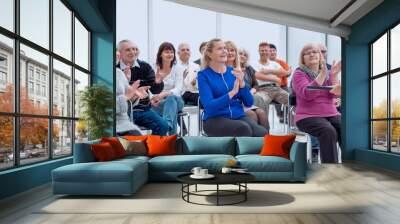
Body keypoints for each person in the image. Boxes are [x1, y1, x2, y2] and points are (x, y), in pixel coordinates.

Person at [197, 38, 268, 137]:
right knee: (243, 129)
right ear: (209, 54)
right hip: (214, 119)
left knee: (261, 132)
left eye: (225, 48)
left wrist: (242, 84)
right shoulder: (203, 75)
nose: (224, 51)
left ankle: (256, 153)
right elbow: (209, 107)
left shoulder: (233, 72)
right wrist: (232, 93)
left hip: (237, 115)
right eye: (219, 49)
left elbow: (249, 102)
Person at [292, 43, 342, 163]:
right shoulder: (299, 73)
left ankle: (351, 165)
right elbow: (307, 94)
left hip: (331, 113)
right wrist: (322, 75)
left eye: (315, 52)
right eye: (307, 52)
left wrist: (334, 75)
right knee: (328, 131)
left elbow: (334, 95)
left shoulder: (327, 72)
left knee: (345, 128)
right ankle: (330, 169)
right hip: (307, 116)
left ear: (320, 56)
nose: (312, 54)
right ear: (302, 58)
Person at [116, 40, 169, 136]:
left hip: (142, 111)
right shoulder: (115, 69)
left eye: (134, 49)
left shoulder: (145, 67)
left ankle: (152, 149)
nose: (133, 52)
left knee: (163, 126)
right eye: (128, 50)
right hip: (122, 113)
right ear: (120, 53)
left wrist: (158, 83)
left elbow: (155, 90)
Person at [225, 42, 268, 129]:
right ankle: (251, 141)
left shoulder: (238, 70)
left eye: (232, 50)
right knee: (252, 114)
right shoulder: (221, 69)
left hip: (243, 101)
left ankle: (266, 140)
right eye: (227, 50)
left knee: (261, 113)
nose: (230, 53)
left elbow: (247, 89)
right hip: (231, 103)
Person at [152, 42, 184, 135]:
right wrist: (153, 98)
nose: (170, 54)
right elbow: (150, 88)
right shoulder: (154, 68)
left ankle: (165, 126)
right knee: (170, 110)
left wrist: (164, 94)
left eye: (171, 52)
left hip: (177, 100)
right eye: (166, 52)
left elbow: (178, 89)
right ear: (160, 54)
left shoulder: (178, 68)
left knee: (171, 99)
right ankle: (170, 133)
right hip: (158, 102)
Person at [253, 42, 289, 123]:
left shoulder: (274, 64)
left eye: (266, 50)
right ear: (258, 51)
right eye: (262, 50)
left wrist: (269, 70)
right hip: (262, 89)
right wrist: (274, 78)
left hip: (277, 89)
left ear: (269, 52)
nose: (264, 52)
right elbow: (256, 75)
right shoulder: (254, 63)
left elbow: (284, 72)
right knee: (259, 102)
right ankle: (264, 129)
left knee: (292, 100)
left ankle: (294, 127)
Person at [116, 68, 149, 136]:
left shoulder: (119, 72)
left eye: (118, 56)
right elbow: (103, 107)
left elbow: (128, 100)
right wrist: (126, 96)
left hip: (125, 124)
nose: (118, 56)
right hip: (112, 125)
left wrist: (135, 96)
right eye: (115, 56)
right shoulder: (100, 75)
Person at [269, 43, 292, 123]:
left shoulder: (281, 62)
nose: (272, 52)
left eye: (274, 50)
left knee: (290, 96)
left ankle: (287, 116)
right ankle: (280, 115)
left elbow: (288, 73)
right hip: (271, 87)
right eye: (270, 51)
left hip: (283, 86)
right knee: (276, 96)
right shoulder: (265, 63)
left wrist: (283, 72)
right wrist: (282, 72)